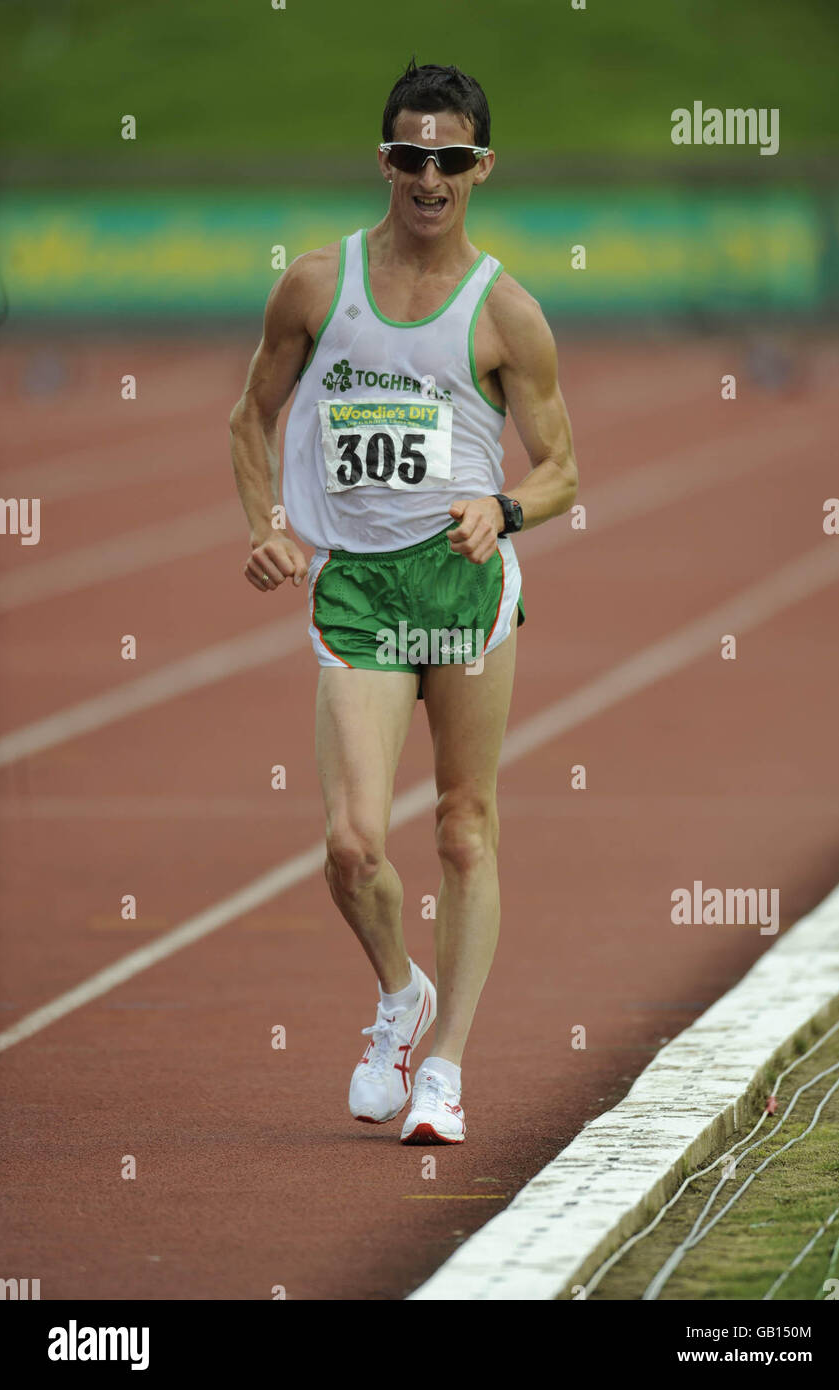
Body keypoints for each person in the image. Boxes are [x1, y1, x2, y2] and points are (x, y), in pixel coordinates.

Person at [230, 59, 578, 1144]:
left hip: (462, 587)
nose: (431, 176)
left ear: (481, 167)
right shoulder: (315, 285)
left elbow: (563, 467)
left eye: (452, 159)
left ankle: (447, 1071)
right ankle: (399, 994)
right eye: (412, 156)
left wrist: (505, 512)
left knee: (465, 829)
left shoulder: (507, 312)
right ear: (385, 161)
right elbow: (252, 417)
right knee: (349, 843)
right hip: (361, 591)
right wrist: (268, 528)